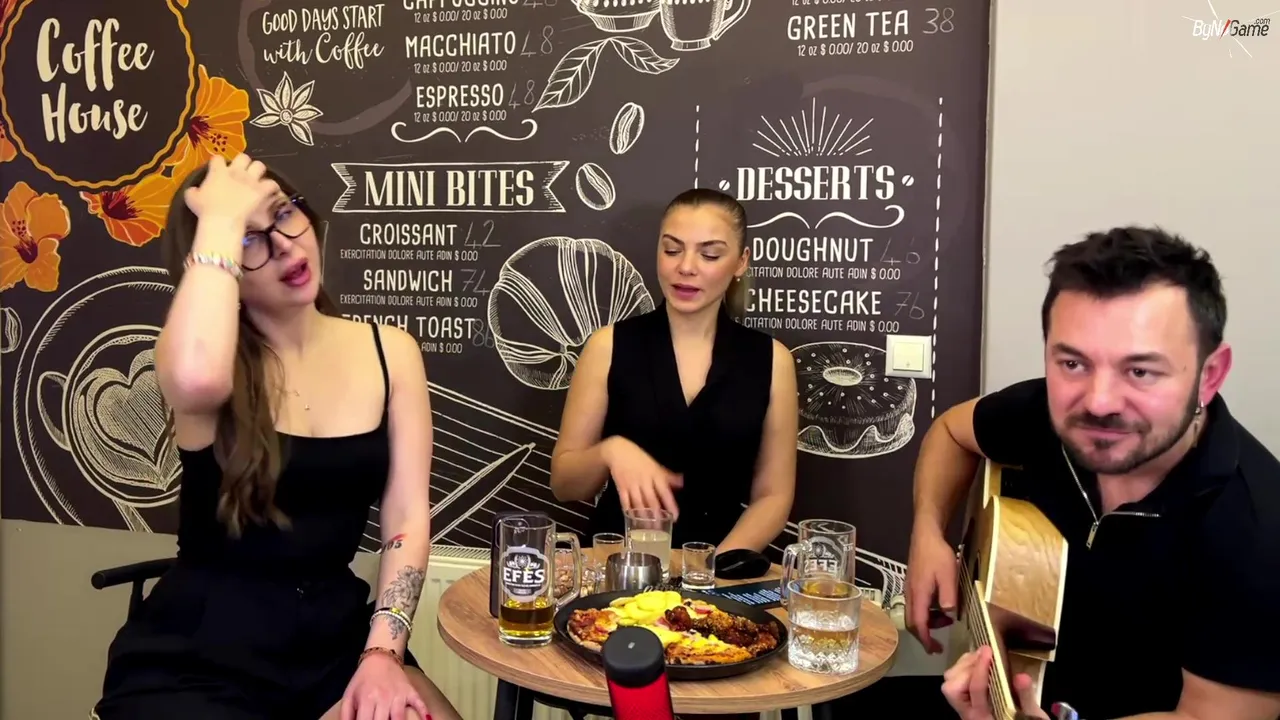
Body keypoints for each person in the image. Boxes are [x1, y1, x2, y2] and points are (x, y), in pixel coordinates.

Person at [92, 154, 461, 720]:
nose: (285, 246)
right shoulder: (194, 356)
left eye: (285, 214)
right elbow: (197, 379)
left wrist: (383, 652)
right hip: (202, 654)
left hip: (334, 640)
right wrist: (219, 218)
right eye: (248, 239)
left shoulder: (393, 351)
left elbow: (407, 514)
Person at [903, 227, 1280, 719]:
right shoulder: (1042, 415)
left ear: (1210, 375)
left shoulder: (1257, 534)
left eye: (1140, 371)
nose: (1099, 402)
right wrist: (928, 532)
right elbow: (952, 433)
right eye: (1073, 363)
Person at [549, 188, 798, 552]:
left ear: (740, 262)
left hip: (721, 569)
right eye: (672, 250)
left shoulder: (772, 360)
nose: (686, 267)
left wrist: (709, 570)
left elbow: (773, 496)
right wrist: (610, 452)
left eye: (709, 254)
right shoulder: (608, 346)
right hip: (617, 567)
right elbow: (564, 485)